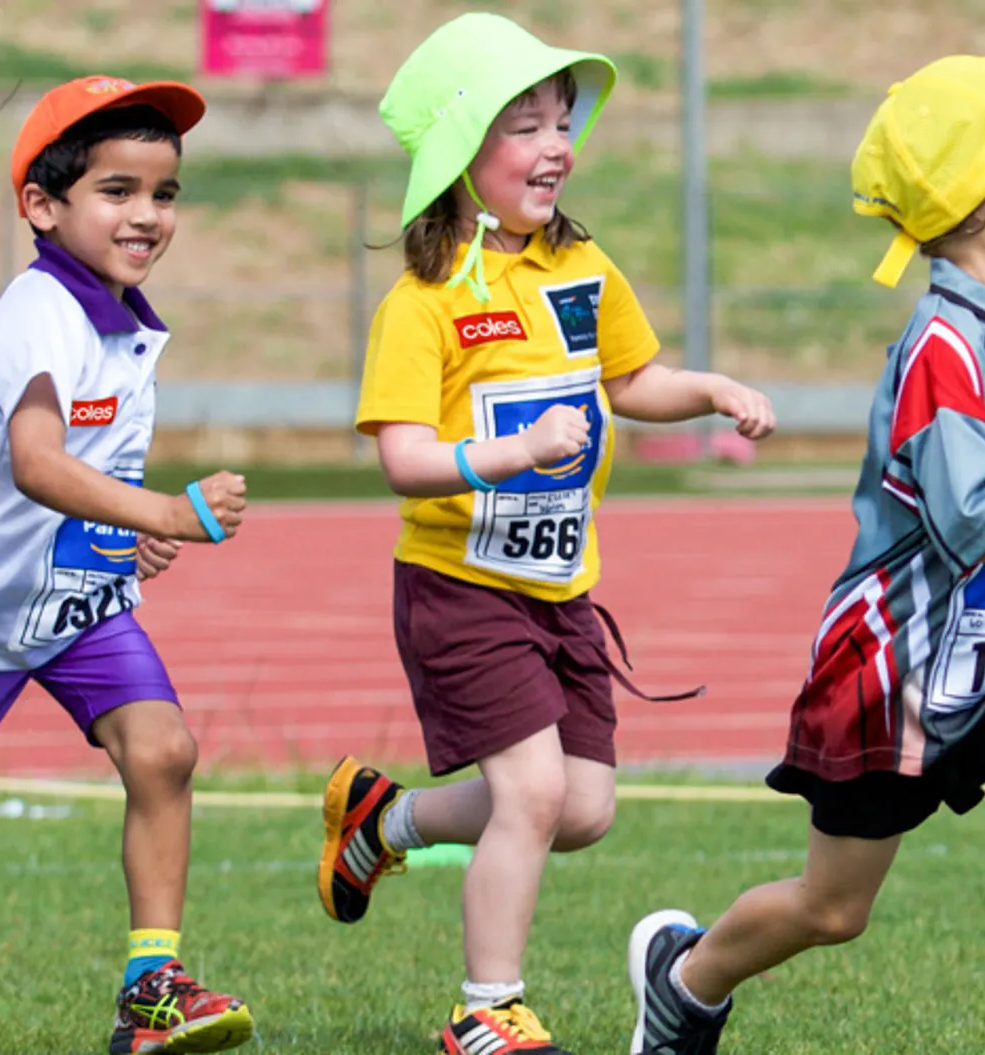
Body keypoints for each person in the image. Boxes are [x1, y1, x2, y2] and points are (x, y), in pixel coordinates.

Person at [626, 55, 985, 1055]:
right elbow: (968, 522)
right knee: (833, 907)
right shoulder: (942, 346)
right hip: (896, 669)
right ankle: (684, 975)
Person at [314, 14, 774, 1055]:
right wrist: (506, 456)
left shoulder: (578, 264)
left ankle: (383, 821)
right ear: (459, 156)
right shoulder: (421, 301)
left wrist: (704, 389)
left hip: (561, 585)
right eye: (522, 125)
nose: (555, 145)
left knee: (582, 808)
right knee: (529, 790)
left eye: (561, 122)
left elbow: (628, 379)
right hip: (457, 584)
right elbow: (400, 457)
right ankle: (486, 1006)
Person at [0, 75, 254, 1055]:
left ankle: (151, 987)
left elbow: (83, 474)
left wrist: (123, 536)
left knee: (165, 751)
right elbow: (37, 462)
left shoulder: (122, 314)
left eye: (163, 192)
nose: (145, 214)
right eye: (116, 190)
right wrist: (168, 509)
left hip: (75, 606)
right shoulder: (42, 306)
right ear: (42, 208)